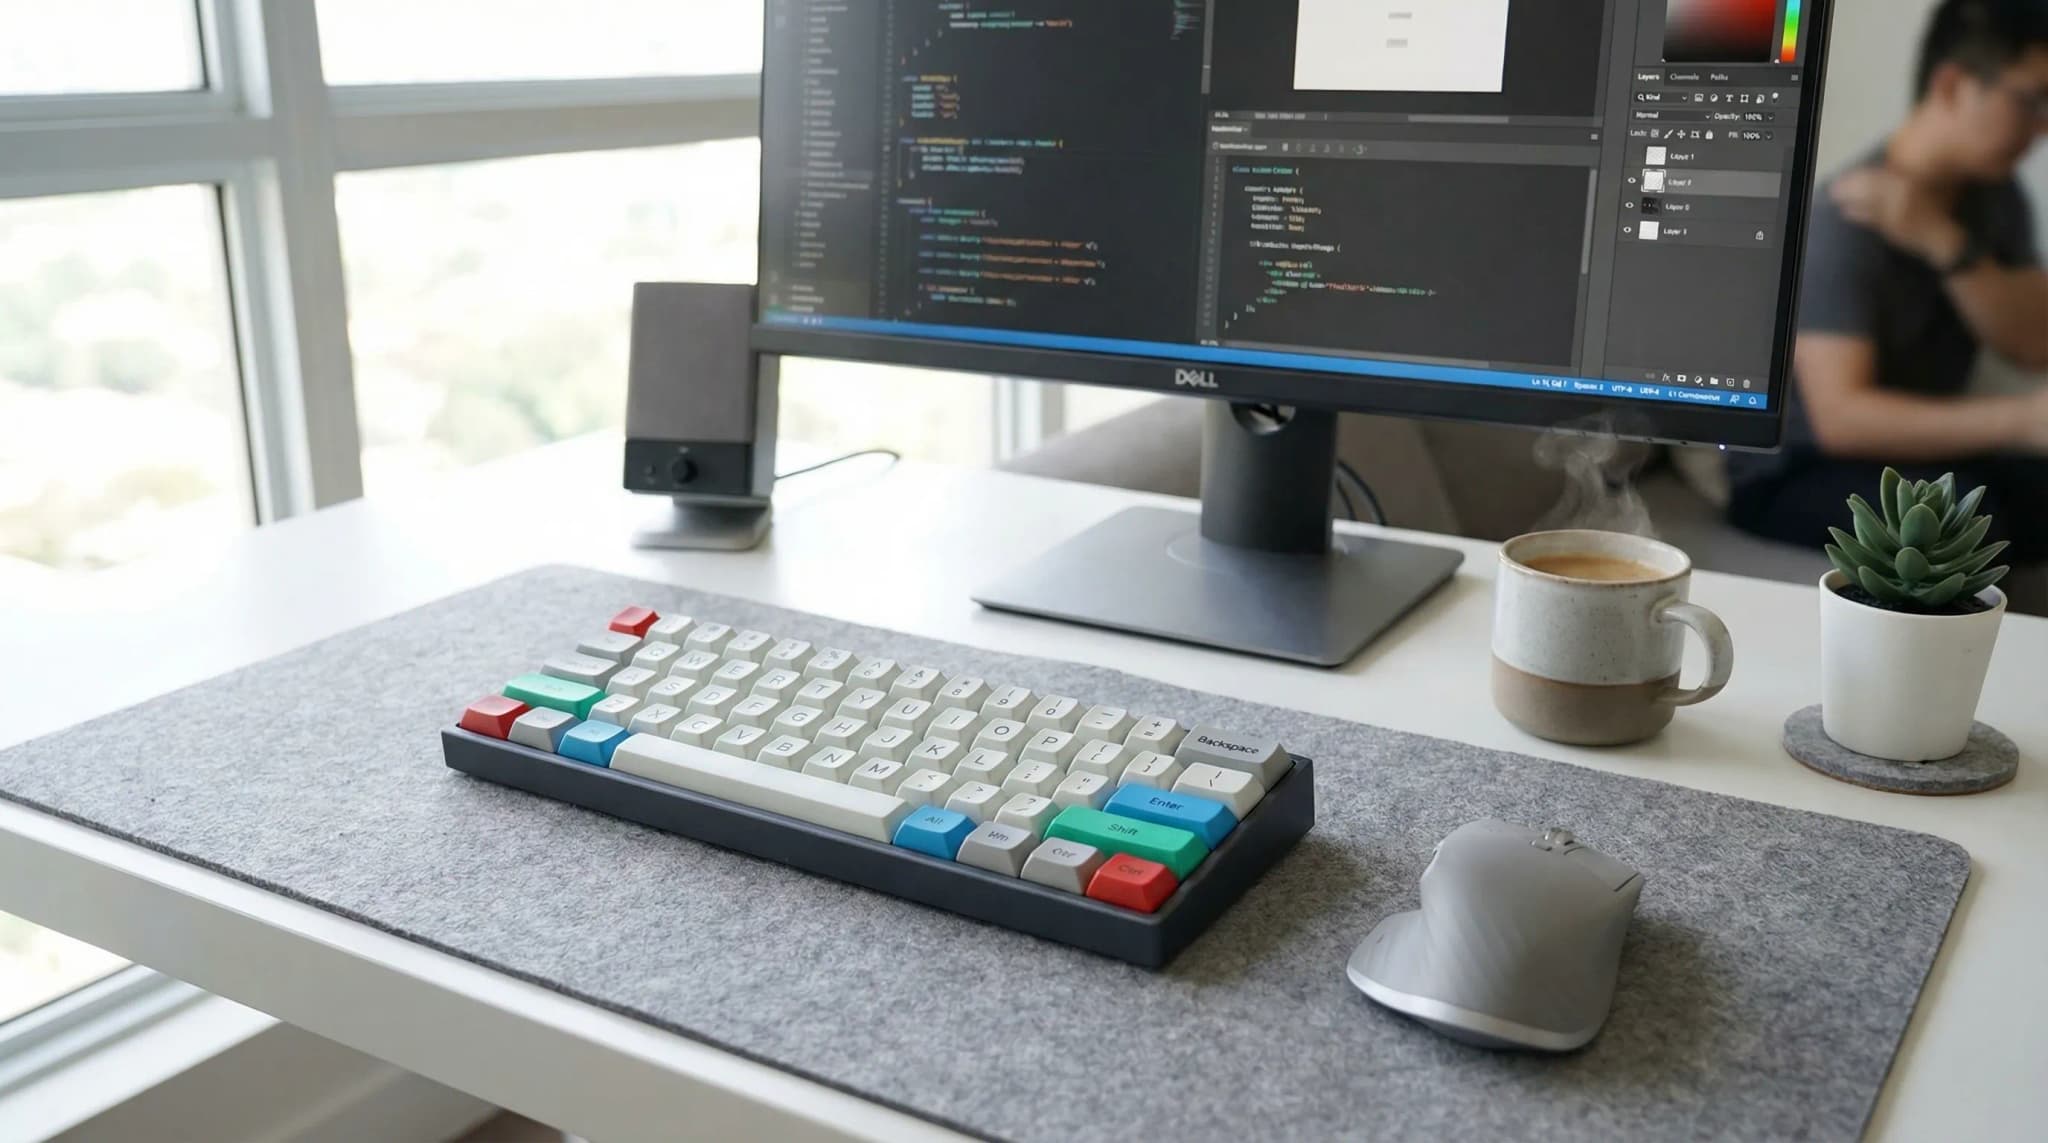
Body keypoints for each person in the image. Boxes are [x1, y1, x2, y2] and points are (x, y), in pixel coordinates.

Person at [1728, 0, 2048, 565]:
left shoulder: (1997, 200)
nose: (2041, 127)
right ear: (1952, 85)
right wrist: (2020, 421)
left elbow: (2032, 343)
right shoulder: (1840, 216)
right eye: (2030, 100)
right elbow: (1841, 420)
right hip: (1795, 473)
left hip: (1917, 464)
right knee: (1971, 517)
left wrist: (1939, 239)